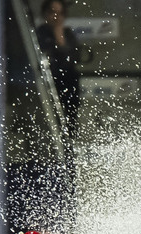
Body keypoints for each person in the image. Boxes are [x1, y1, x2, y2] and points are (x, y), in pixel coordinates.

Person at [36, 0, 82, 143]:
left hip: (67, 85)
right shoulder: (39, 34)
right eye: (53, 12)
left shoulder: (67, 33)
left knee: (69, 125)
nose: (56, 17)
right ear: (45, 14)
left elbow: (73, 58)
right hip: (48, 85)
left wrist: (60, 37)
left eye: (60, 13)